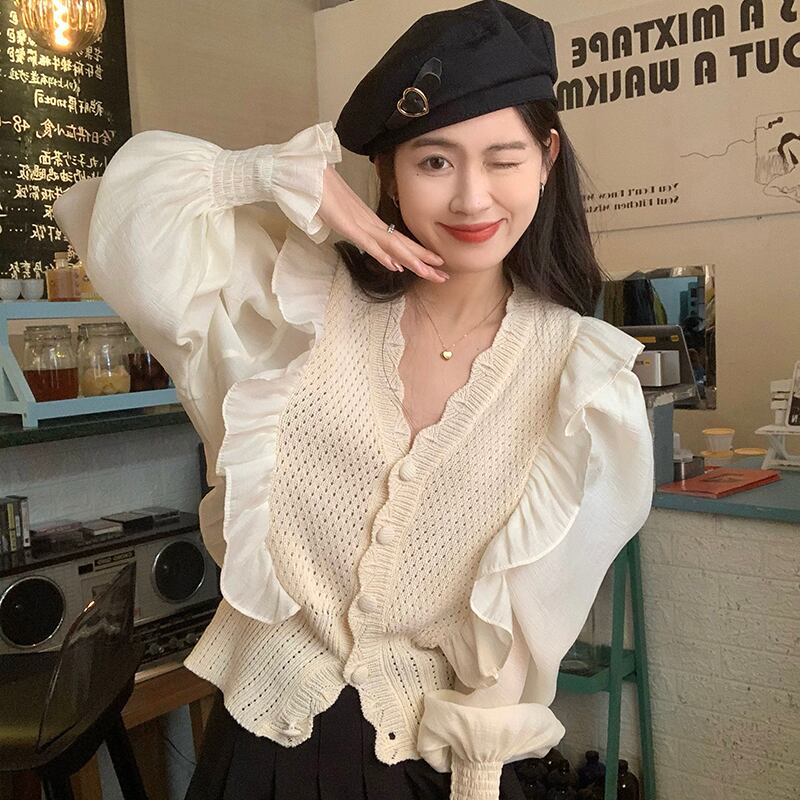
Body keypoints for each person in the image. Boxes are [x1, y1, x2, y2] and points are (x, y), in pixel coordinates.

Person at [52, 2, 654, 798]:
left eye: (503, 159)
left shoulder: (584, 386)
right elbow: (118, 222)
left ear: (546, 159)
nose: (472, 199)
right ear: (389, 172)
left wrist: (479, 778)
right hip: (262, 748)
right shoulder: (292, 301)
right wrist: (276, 175)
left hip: (433, 769)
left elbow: (521, 645)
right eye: (434, 161)